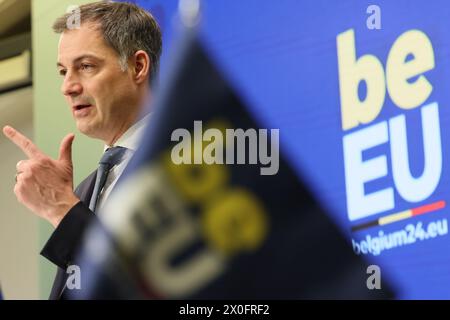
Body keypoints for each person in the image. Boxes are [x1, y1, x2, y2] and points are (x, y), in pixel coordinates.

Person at [2, 1, 162, 299]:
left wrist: (61, 209)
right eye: (63, 71)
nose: (68, 86)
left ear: (138, 66)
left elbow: (151, 287)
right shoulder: (88, 186)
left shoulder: (182, 164)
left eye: (86, 66)